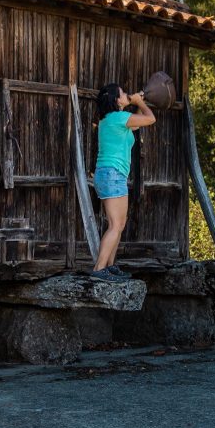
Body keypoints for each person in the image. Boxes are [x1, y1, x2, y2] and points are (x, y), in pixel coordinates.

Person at [90, 83, 155, 282]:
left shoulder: (112, 120)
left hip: (111, 175)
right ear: (117, 100)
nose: (127, 94)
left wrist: (136, 101)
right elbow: (150, 119)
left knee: (119, 224)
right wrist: (139, 101)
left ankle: (110, 266)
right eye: (123, 93)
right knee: (115, 225)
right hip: (112, 174)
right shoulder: (118, 118)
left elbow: (136, 123)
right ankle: (99, 268)